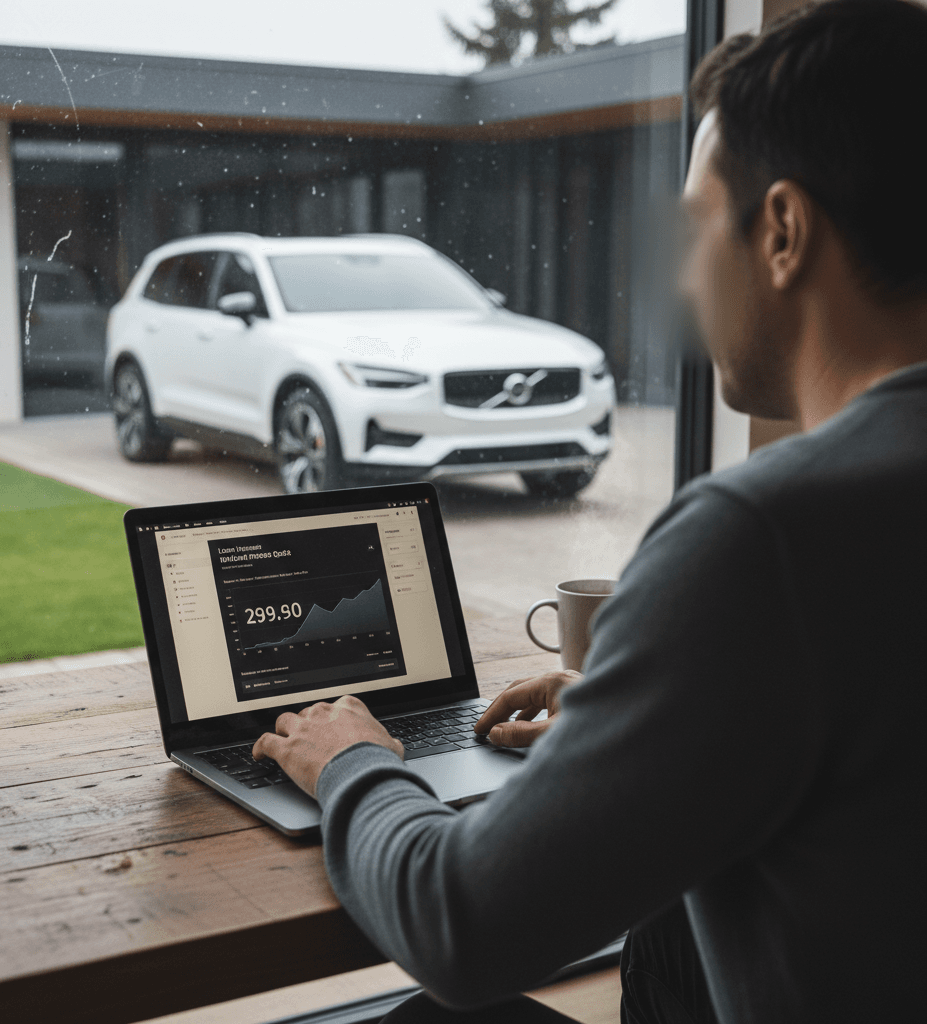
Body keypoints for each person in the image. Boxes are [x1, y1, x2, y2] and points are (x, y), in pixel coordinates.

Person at [252, 2, 927, 1020]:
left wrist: (351, 763)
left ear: (781, 230)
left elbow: (462, 923)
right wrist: (661, 721)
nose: (686, 275)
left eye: (697, 226)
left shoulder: (764, 536)